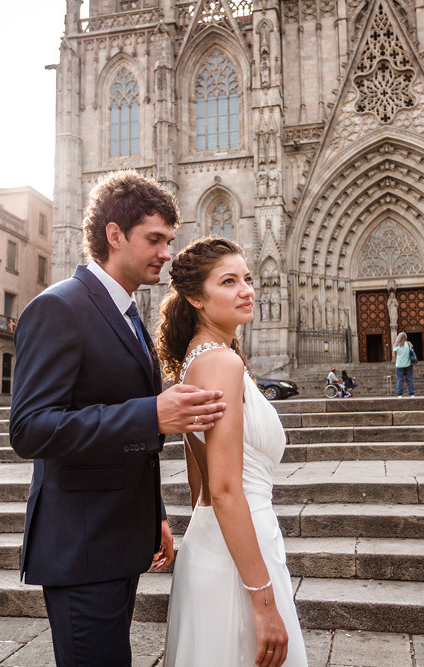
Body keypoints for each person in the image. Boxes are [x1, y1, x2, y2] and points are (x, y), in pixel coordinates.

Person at [8, 171, 228, 667]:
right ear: (114, 235)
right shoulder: (58, 308)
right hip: (81, 548)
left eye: (169, 240)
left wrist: (156, 517)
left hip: (118, 538)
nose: (166, 253)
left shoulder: (127, 312)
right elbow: (30, 428)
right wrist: (152, 412)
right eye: (155, 239)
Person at [158, 238, 308, 667]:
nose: (247, 290)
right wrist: (262, 602)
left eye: (247, 278)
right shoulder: (221, 363)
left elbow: (199, 486)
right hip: (239, 554)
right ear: (195, 297)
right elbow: (223, 490)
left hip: (216, 544)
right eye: (228, 281)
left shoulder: (196, 359)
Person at [393, 332, 416, 398]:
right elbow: (412, 351)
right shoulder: (409, 344)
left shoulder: (396, 345)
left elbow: (394, 355)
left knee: (400, 379)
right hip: (408, 364)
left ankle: (400, 394)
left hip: (399, 365)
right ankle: (411, 393)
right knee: (410, 379)